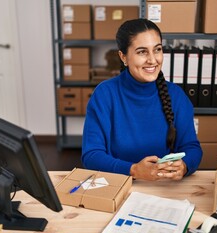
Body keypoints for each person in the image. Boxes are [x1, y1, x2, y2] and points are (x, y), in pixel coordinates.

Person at [81, 18, 202, 181]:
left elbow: (192, 148)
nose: (152, 60)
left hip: (164, 188)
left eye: (157, 49)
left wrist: (185, 165)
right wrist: (133, 170)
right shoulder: (104, 94)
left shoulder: (176, 95)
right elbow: (91, 155)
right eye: (142, 52)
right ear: (123, 57)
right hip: (117, 185)